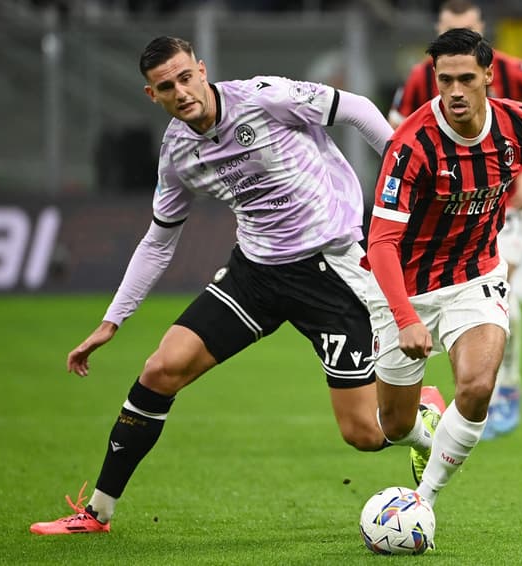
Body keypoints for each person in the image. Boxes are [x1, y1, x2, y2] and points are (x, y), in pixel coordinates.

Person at [29, 35, 443, 535]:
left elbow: (353, 107)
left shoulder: (265, 96)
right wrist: (112, 321)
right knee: (161, 369)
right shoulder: (178, 154)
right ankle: (97, 513)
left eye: (186, 77)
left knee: (364, 433)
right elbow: (159, 242)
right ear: (152, 96)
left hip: (330, 270)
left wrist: (406, 180)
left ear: (201, 71)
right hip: (257, 273)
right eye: (166, 86)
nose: (181, 92)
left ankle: (422, 415)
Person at [364, 28, 522, 506]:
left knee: (477, 386)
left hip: (475, 274)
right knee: (393, 425)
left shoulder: (519, 124)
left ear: (488, 77)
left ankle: (422, 503)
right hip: (405, 286)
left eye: (466, 79)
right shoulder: (411, 145)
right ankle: (426, 421)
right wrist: (406, 318)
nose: (455, 91)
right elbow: (382, 242)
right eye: (445, 79)